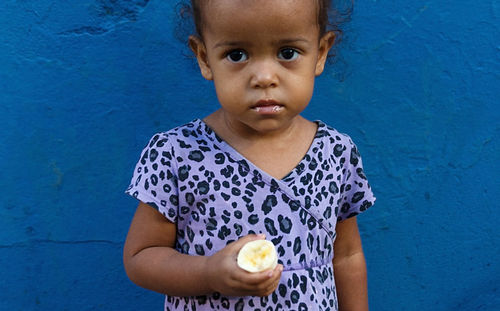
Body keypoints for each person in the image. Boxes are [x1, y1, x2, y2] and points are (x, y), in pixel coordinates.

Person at [123, 0, 376, 310]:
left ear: (320, 53)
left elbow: (347, 255)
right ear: (205, 58)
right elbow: (141, 256)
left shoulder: (336, 153)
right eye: (237, 55)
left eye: (287, 53)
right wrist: (208, 273)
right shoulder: (178, 155)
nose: (264, 77)